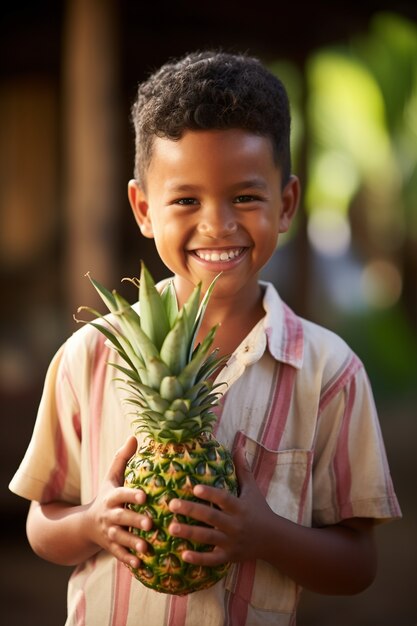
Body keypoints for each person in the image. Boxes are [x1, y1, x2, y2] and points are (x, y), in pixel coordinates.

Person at [9, 50, 401, 626]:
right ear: (143, 208)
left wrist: (265, 535)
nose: (217, 224)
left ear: (287, 203)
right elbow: (42, 522)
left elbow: (358, 562)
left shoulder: (330, 371)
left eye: (245, 196)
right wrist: (91, 522)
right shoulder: (88, 355)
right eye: (186, 199)